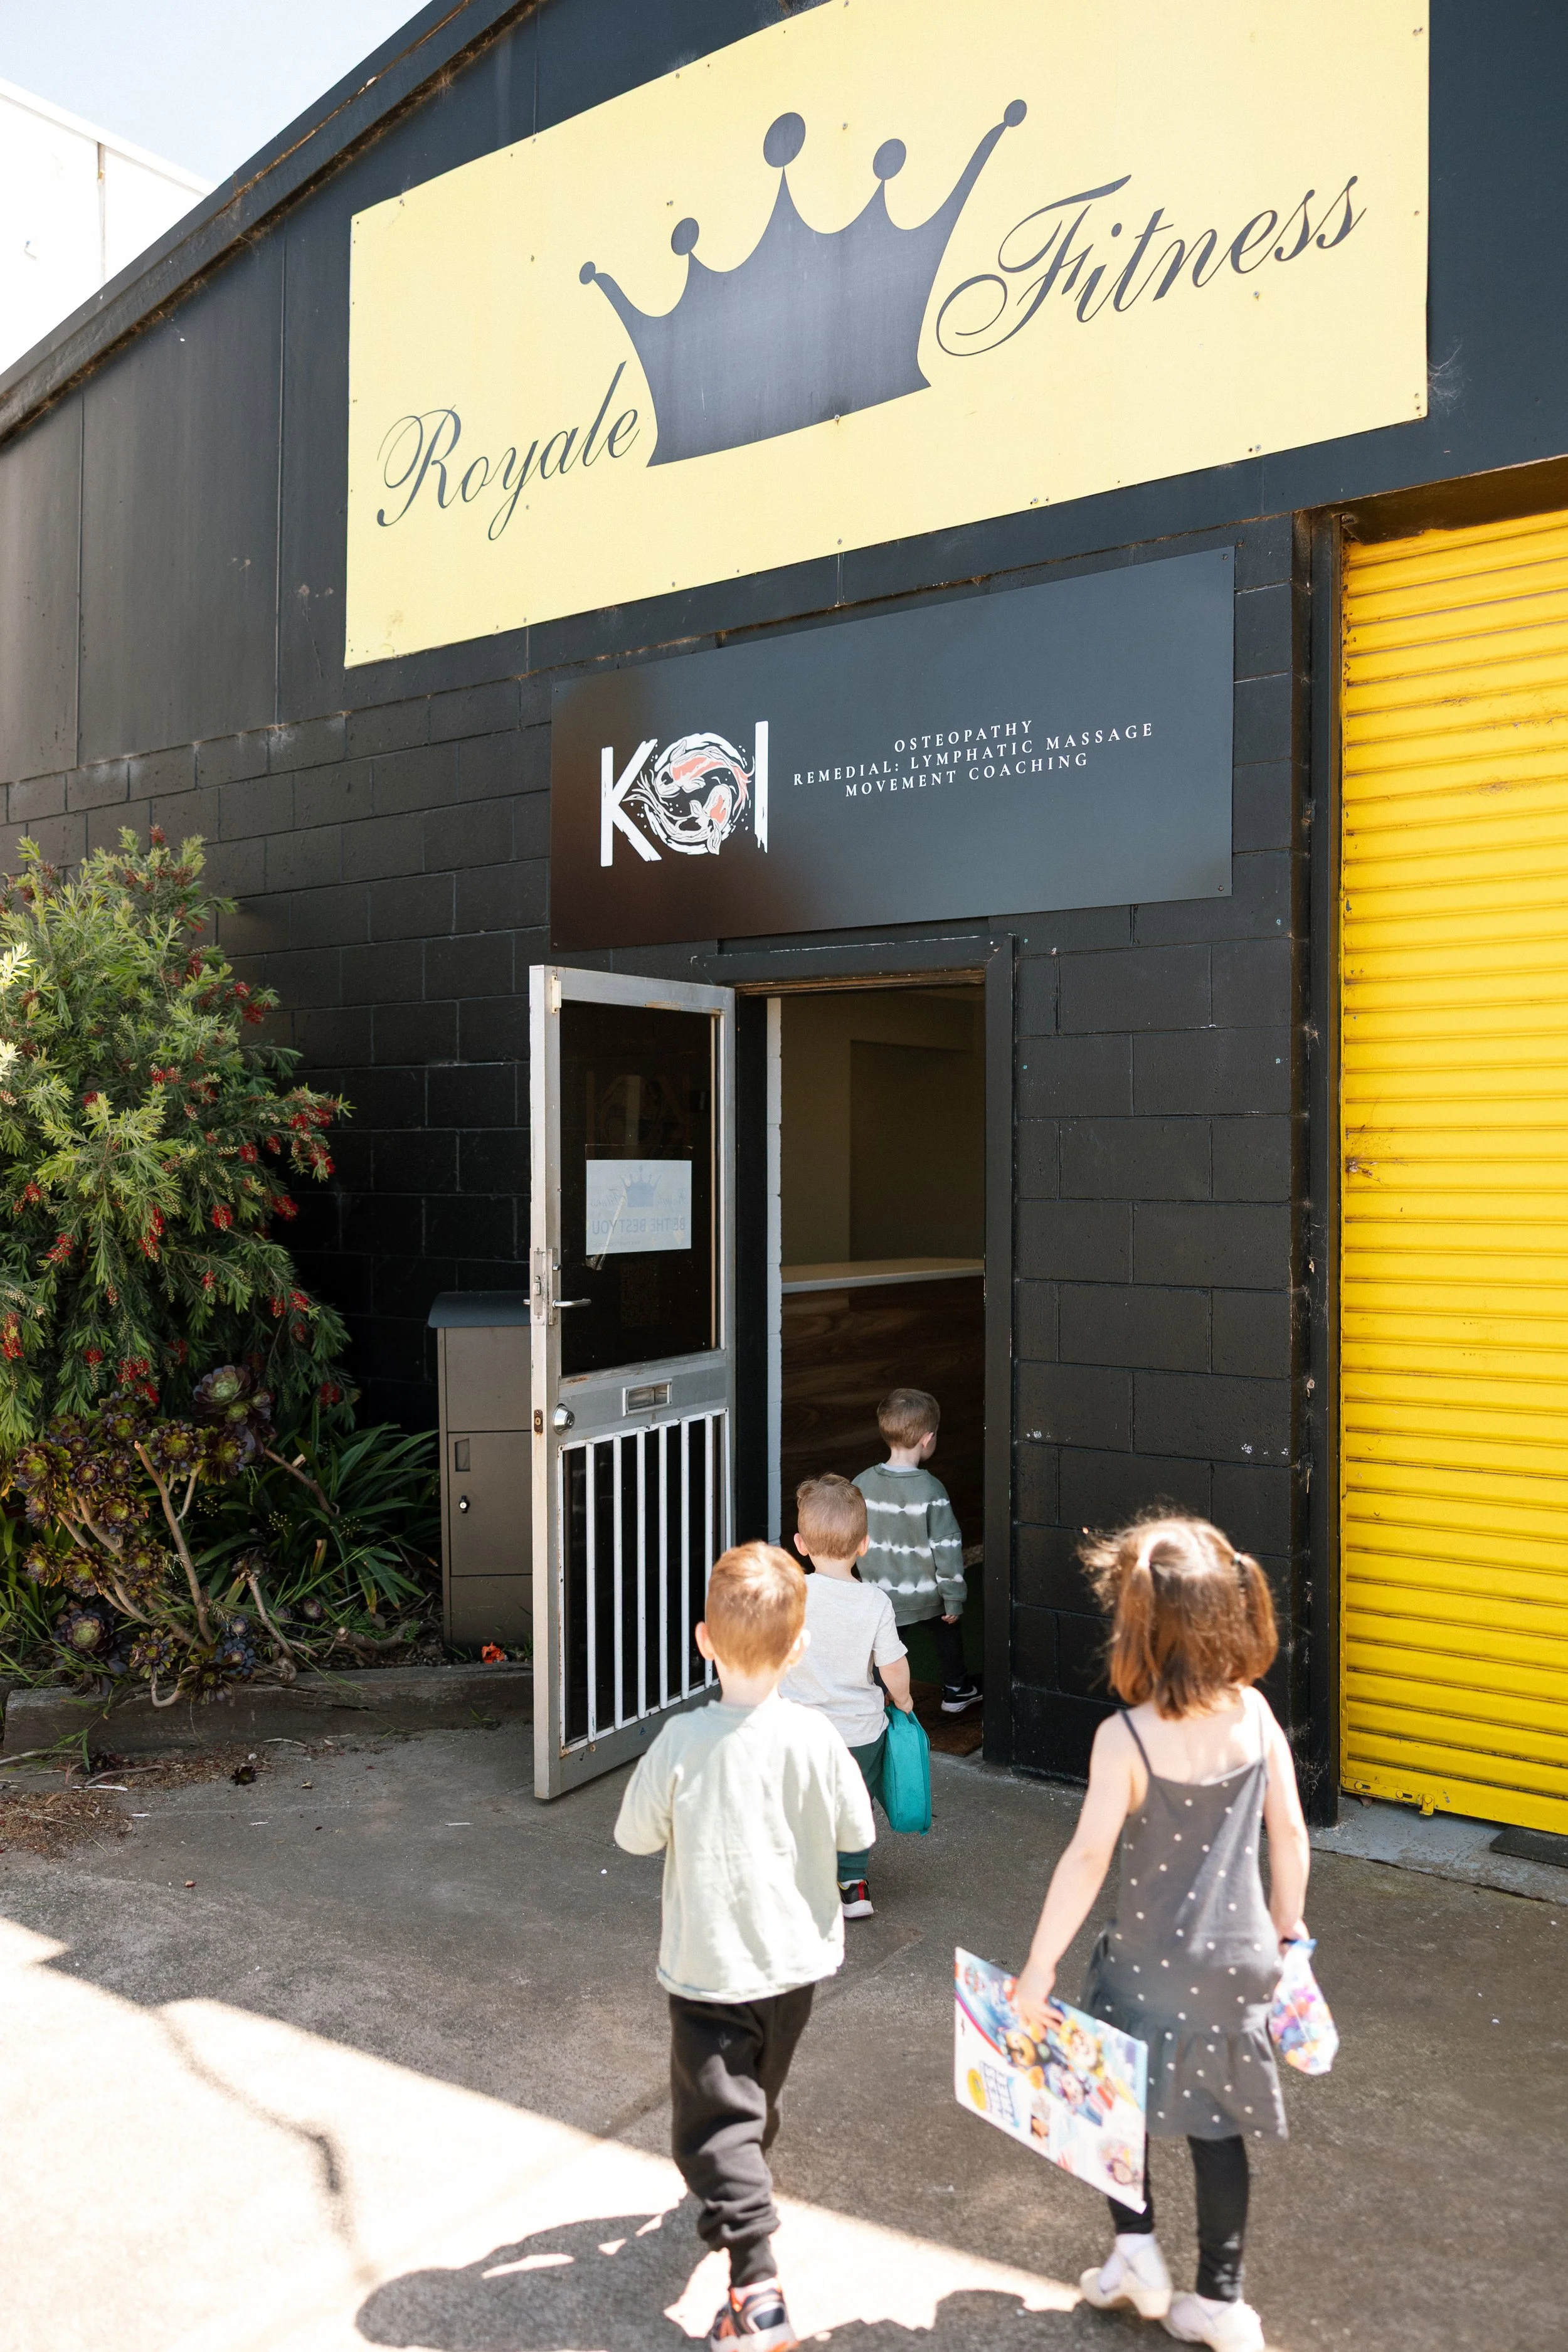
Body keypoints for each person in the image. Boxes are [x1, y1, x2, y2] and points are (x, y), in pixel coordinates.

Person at [1010, 1516, 1311, 2352]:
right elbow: (1289, 1835)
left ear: (1139, 1630)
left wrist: (1040, 1963)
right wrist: (1289, 1937)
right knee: (1218, 2132)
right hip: (1240, 1966)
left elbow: (1087, 1856)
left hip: (1143, 1967)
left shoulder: (1126, 1737)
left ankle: (1136, 2252)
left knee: (1116, 2103)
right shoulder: (1255, 1715)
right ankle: (1222, 2297)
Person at [614, 1540, 873, 2352]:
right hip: (797, 1962)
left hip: (708, 1967)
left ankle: (756, 2283)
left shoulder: (682, 1742)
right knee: (754, 2099)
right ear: (798, 1648)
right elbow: (858, 1831)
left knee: (711, 2123)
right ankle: (745, 2182)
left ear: (703, 1640)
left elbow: (633, 1834)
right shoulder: (817, 1738)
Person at [781, 1471, 915, 1920]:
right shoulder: (875, 1602)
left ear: (800, 1544)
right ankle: (853, 1886)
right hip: (859, 1735)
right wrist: (905, 1700)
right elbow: (891, 1666)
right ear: (864, 1545)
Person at [854, 1386, 980, 1713]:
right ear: (928, 1439)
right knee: (947, 1633)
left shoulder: (862, 1483)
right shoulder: (931, 1489)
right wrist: (954, 1598)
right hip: (929, 1595)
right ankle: (956, 1691)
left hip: (881, 1594)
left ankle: (881, 1698)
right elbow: (947, 1548)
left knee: (887, 1647)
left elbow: (850, 1533)